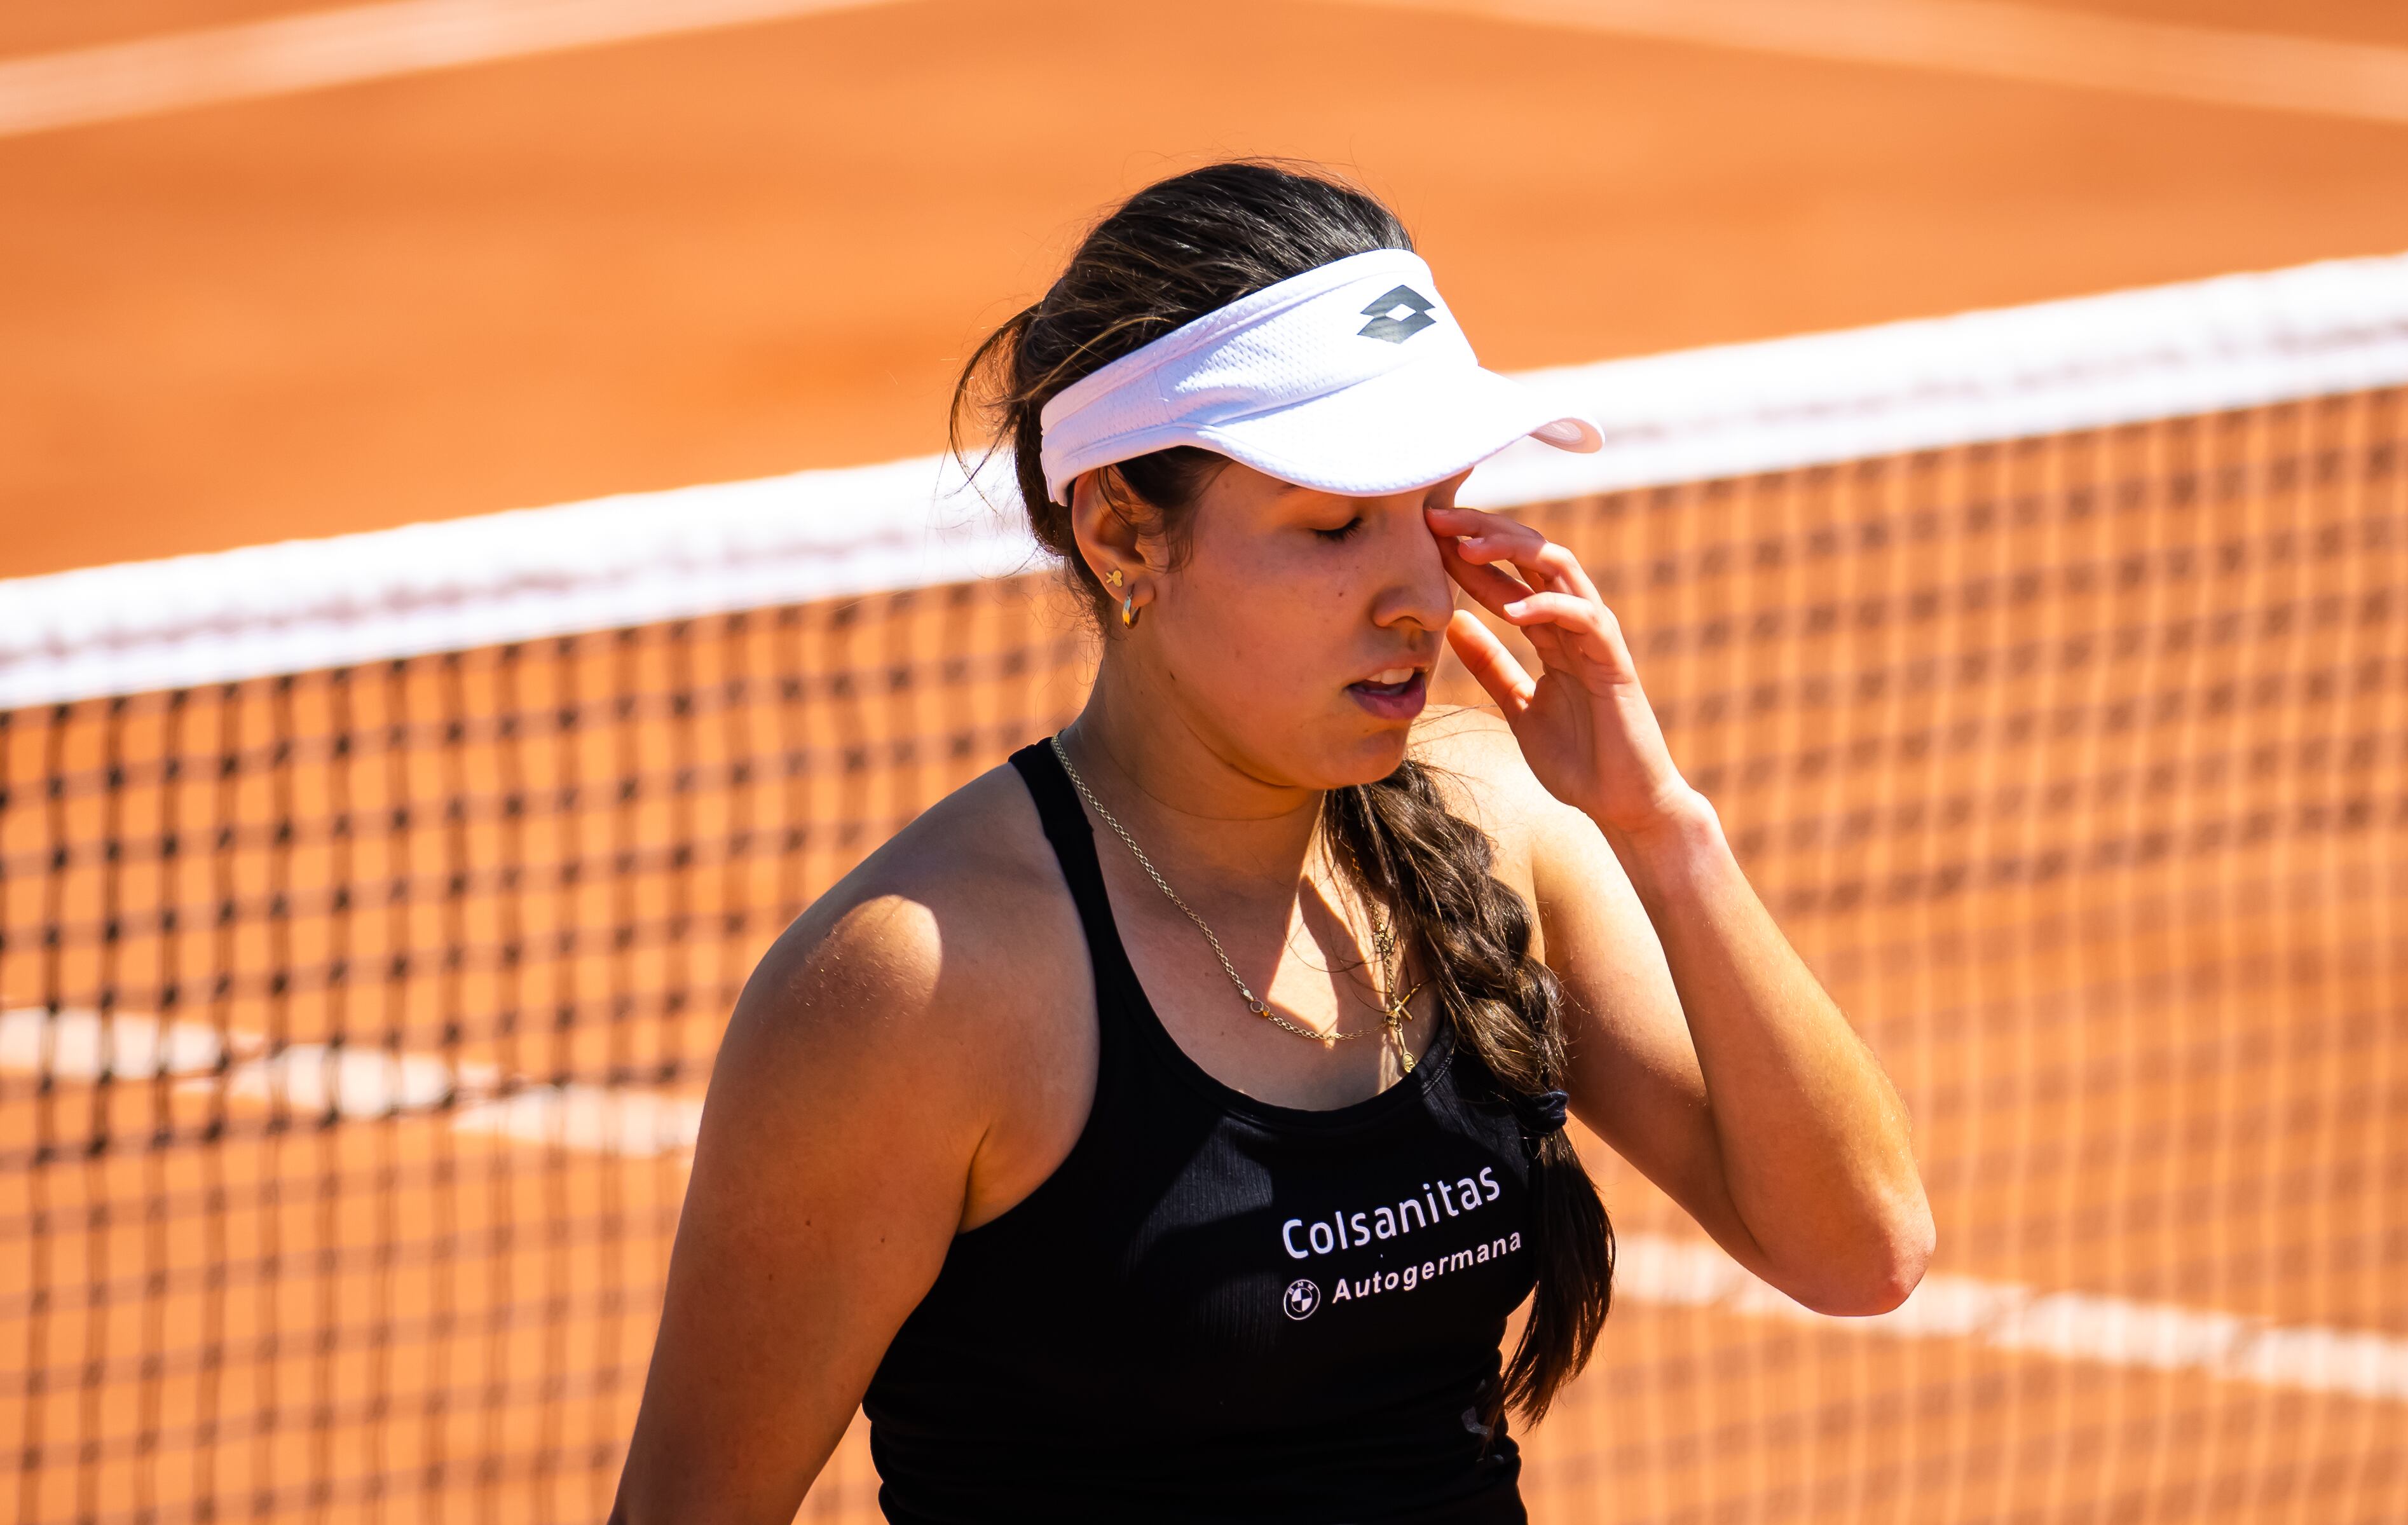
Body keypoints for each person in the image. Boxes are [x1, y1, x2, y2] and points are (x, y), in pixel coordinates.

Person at [610, 160, 1932, 1524]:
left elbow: (1860, 1253)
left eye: (1436, 507)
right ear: (1124, 530)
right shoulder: (923, 989)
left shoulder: (1501, 824)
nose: (1419, 592)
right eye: (1334, 525)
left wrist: (1666, 832)